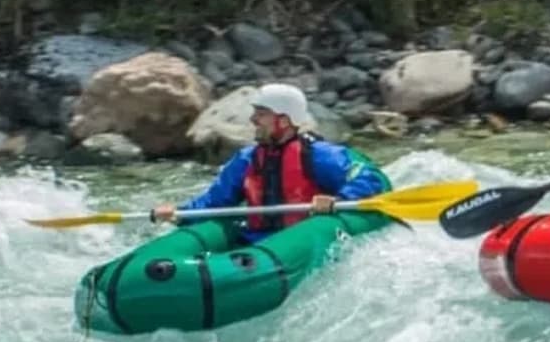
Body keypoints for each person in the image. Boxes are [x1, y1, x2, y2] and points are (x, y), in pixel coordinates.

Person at [152, 83, 391, 243]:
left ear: (284, 121)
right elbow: (214, 202)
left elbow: (370, 178)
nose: (253, 119)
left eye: (261, 114)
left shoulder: (318, 155)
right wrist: (179, 213)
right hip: (259, 242)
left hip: (303, 240)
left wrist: (339, 199)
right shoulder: (246, 159)